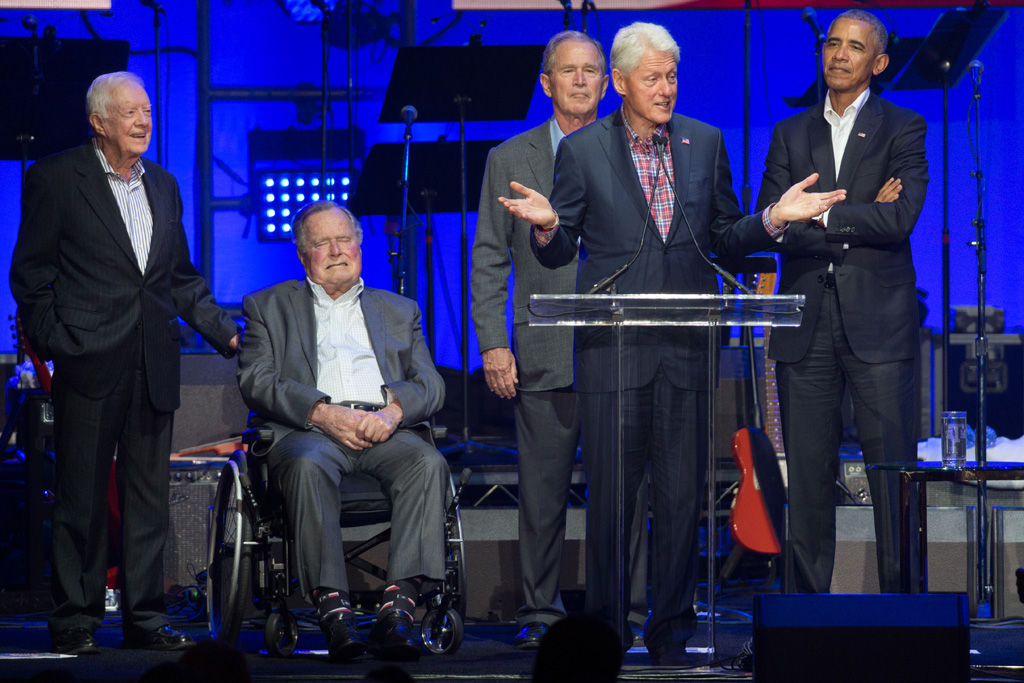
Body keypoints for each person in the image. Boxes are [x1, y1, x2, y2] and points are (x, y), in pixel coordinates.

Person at [499, 22, 844, 665]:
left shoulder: (703, 143)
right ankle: (603, 636)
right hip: (612, 351)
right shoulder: (582, 152)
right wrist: (549, 228)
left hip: (687, 348)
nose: (666, 88)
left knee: (683, 500)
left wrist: (772, 219)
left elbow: (724, 235)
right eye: (652, 78)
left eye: (673, 77)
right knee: (610, 503)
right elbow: (564, 247)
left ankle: (670, 636)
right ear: (622, 83)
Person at [10, 71, 240, 656]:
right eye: (131, 112)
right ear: (99, 121)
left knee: (146, 499)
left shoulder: (162, 184)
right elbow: (30, 279)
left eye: (147, 110)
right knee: (81, 500)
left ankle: (144, 617)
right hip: (89, 360)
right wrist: (62, 343)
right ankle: (75, 621)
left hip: (153, 362)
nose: (144, 120)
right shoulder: (58, 178)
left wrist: (227, 334)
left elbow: (179, 281)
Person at [471, 30, 648, 650]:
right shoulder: (510, 156)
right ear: (546, 83)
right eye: (568, 71)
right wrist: (494, 342)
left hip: (618, 348)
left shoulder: (634, 150)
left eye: (592, 70)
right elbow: (490, 258)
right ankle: (540, 612)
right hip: (542, 350)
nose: (580, 80)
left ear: (609, 81)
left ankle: (623, 612)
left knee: (623, 495)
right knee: (542, 495)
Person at [755, 9, 928, 594]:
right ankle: (804, 614)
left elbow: (901, 216)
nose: (839, 54)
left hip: (879, 325)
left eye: (855, 46)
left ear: (878, 63)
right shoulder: (789, 132)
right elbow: (773, 225)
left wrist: (823, 211)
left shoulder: (904, 126)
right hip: (805, 326)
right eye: (832, 42)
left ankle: (904, 611)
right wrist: (860, 213)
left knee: (892, 478)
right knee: (807, 480)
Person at [236, 201, 448, 663]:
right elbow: (256, 380)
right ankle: (334, 609)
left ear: (360, 244)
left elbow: (430, 383)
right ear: (302, 254)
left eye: (345, 239)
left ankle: (399, 610)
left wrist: (393, 412)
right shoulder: (268, 306)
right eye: (321, 243)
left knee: (429, 463)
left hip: (383, 428)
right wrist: (321, 412)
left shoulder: (400, 309)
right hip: (311, 431)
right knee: (308, 463)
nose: (336, 250)